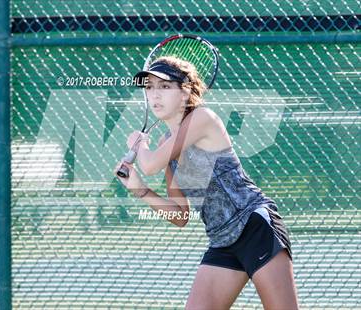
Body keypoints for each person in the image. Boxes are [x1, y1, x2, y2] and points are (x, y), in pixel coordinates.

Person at [114, 56, 299, 309]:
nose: (154, 95)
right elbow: (180, 215)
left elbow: (149, 164)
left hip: (254, 226)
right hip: (222, 240)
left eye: (165, 87)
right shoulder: (165, 146)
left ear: (185, 91)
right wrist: (139, 188)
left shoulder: (203, 117)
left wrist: (140, 144)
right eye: (149, 87)